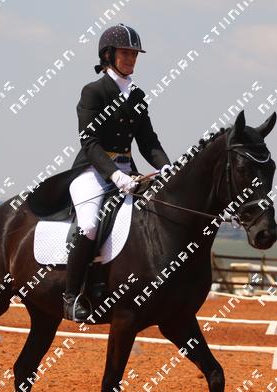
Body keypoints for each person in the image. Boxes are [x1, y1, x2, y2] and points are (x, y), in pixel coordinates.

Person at [63, 23, 173, 322]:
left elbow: (148, 142)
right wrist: (115, 174)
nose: (131, 59)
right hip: (92, 171)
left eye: (134, 54)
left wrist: (166, 166)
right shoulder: (94, 91)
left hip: (128, 172)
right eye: (125, 53)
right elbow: (89, 142)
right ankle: (71, 296)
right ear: (108, 55)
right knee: (89, 225)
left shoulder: (137, 96)